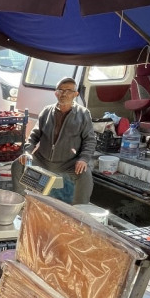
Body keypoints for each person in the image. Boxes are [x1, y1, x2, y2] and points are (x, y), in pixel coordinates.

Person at [11, 76, 96, 205]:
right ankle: (21, 203)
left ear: (76, 94)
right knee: (18, 164)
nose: (64, 94)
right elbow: (34, 136)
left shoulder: (83, 114)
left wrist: (83, 159)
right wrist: (27, 151)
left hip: (68, 163)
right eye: (60, 90)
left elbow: (89, 140)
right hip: (42, 160)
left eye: (68, 91)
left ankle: (80, 212)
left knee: (85, 175)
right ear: (55, 93)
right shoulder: (46, 111)